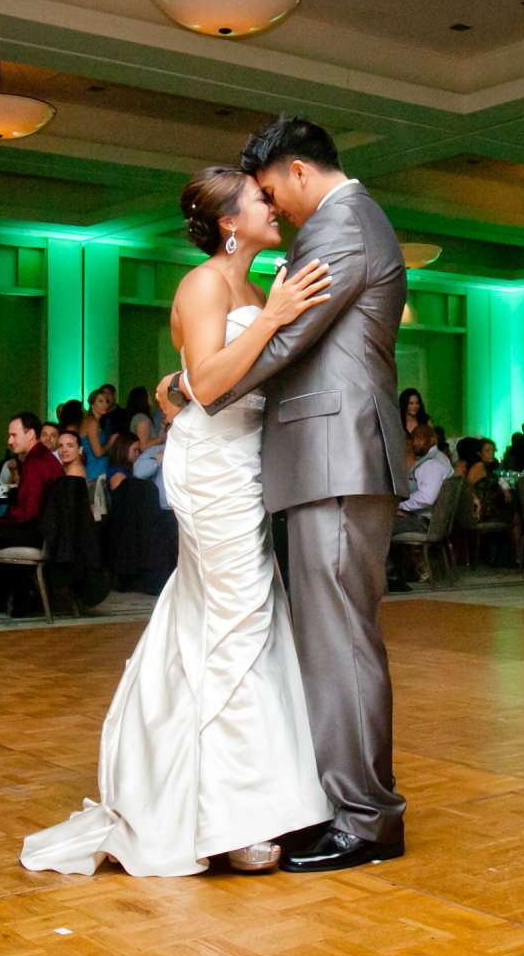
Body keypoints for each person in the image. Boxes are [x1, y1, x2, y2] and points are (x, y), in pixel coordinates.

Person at [25, 161, 336, 877]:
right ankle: (234, 818)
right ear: (229, 222)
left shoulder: (255, 286)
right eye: (262, 199)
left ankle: (207, 794)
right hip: (213, 465)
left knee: (225, 618)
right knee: (241, 617)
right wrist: (278, 320)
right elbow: (206, 384)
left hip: (248, 463)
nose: (274, 205)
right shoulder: (203, 283)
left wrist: (281, 315)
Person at [168, 117, 411, 874]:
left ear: (300, 172)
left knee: (339, 639)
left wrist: (191, 384)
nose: (276, 207)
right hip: (322, 456)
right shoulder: (340, 223)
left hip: (336, 457)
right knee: (328, 636)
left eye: (274, 191)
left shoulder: (341, 227)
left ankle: (366, 819)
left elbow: (284, 342)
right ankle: (336, 803)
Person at [0, 413, 61, 583]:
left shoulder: (35, 463)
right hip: (48, 532)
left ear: (30, 435)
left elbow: (27, 512)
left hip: (36, 532)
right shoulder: (45, 457)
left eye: (14, 435)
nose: (9, 441)